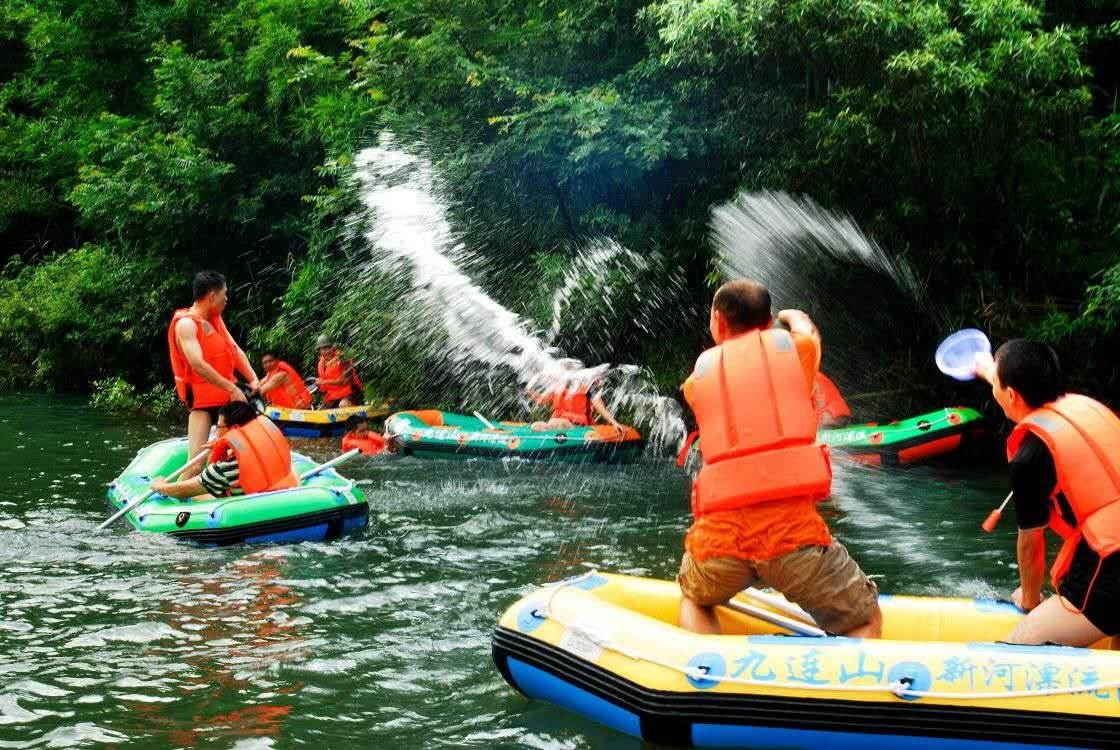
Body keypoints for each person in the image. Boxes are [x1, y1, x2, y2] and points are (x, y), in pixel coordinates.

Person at [677, 279, 882, 637]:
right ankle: (846, 690)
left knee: (695, 600)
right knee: (866, 619)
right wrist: (792, 315)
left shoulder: (697, 381)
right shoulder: (797, 353)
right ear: (769, 319)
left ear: (718, 322)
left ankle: (705, 676)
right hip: (793, 542)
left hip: (721, 544)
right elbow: (808, 334)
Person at [974, 339, 1120, 646]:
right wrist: (988, 369)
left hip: (1112, 563)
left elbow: (1031, 545)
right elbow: (1006, 378)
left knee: (1016, 650)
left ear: (1011, 394)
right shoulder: (1085, 407)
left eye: (995, 382)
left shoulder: (1030, 457)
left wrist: (1029, 600)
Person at [168, 271, 259, 478]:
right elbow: (198, 364)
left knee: (241, 457)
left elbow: (234, 349)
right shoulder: (186, 325)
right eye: (224, 294)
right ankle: (174, 499)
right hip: (202, 404)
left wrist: (253, 377)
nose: (226, 299)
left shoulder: (216, 319)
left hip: (226, 402)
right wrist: (232, 388)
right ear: (212, 296)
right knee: (195, 466)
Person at [150, 402, 299, 500]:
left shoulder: (225, 470)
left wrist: (161, 486)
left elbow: (181, 491)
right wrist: (222, 443)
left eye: (219, 427)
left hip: (252, 513)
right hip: (284, 498)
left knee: (194, 497)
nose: (216, 431)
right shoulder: (271, 447)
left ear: (233, 429)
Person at [529, 362, 624, 433]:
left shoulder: (588, 385)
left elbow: (599, 406)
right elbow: (542, 400)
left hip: (579, 426)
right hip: (556, 423)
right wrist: (532, 395)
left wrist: (613, 422)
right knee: (535, 426)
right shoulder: (558, 385)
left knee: (558, 423)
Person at [316, 335, 364, 409]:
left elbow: (344, 381)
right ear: (320, 350)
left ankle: (357, 419)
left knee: (343, 405)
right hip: (334, 395)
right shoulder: (320, 363)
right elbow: (324, 387)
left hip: (350, 391)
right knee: (321, 411)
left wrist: (324, 382)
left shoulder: (342, 359)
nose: (327, 351)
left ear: (334, 348)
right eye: (324, 349)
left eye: (329, 348)